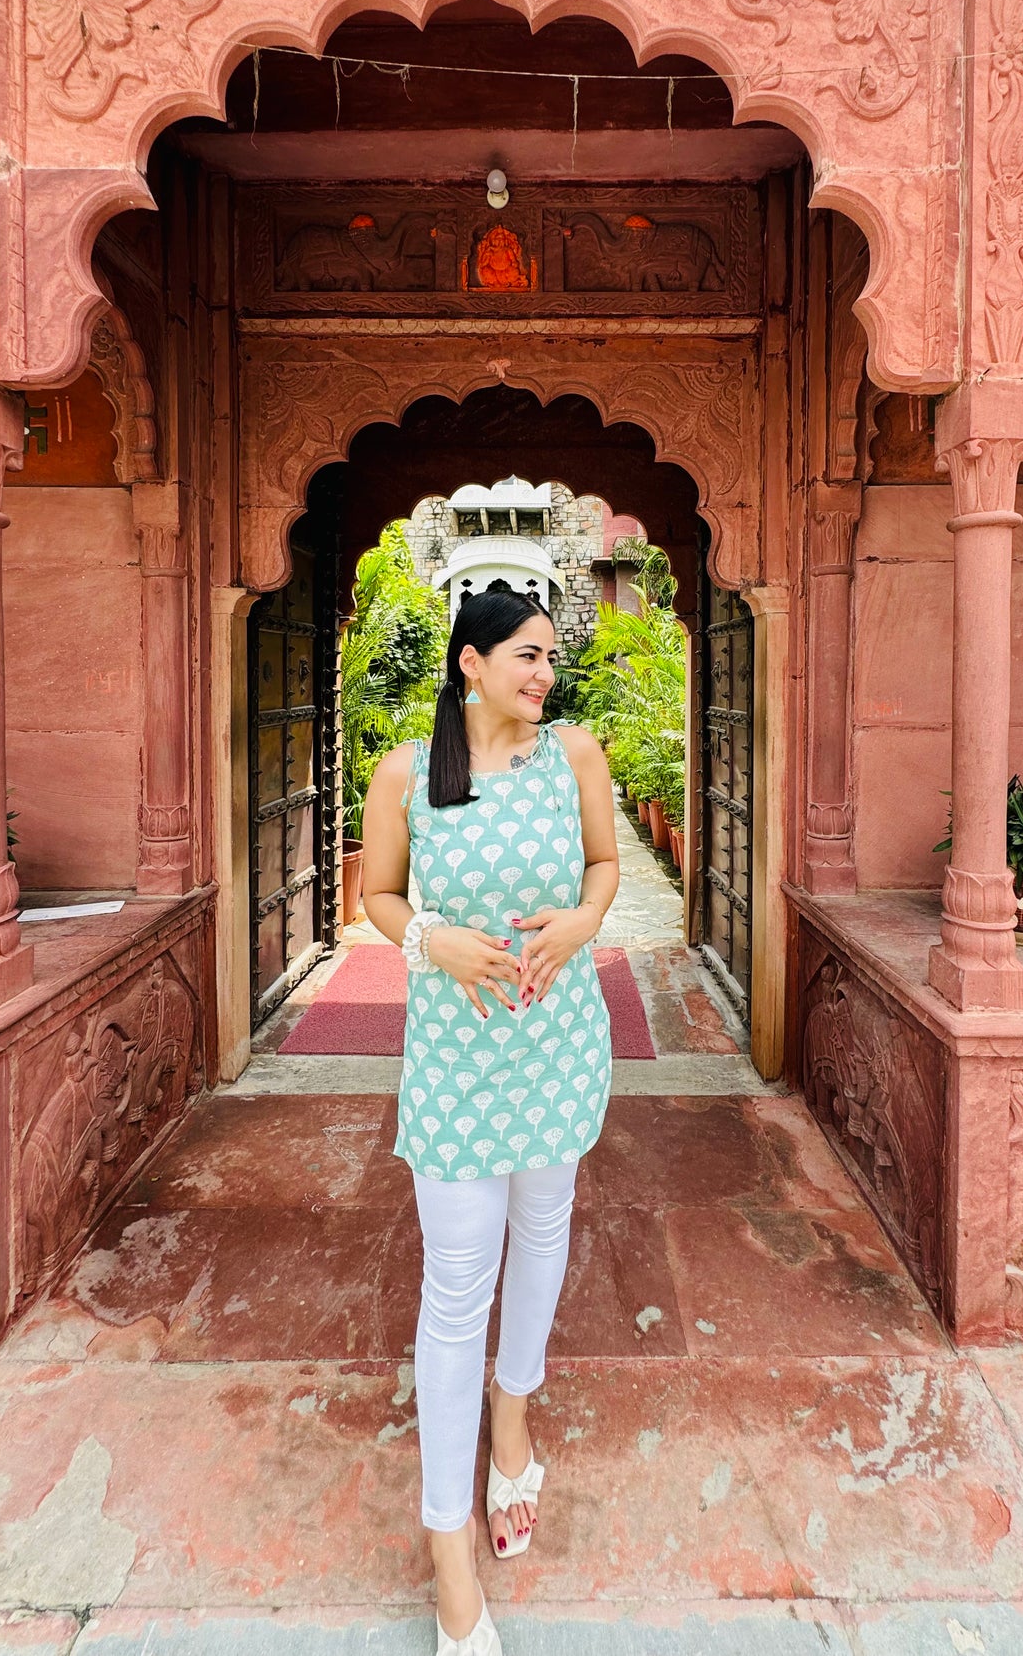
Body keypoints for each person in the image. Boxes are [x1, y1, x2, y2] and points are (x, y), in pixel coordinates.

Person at [363, 586, 620, 1656]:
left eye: (550, 658)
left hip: (556, 1045)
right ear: (469, 663)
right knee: (455, 1280)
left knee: (545, 1230)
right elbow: (375, 897)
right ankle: (445, 1542)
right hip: (457, 1067)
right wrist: (431, 940)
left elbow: (605, 867)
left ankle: (511, 1417)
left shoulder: (577, 757)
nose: (543, 674)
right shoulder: (403, 776)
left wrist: (580, 921)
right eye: (525, 655)